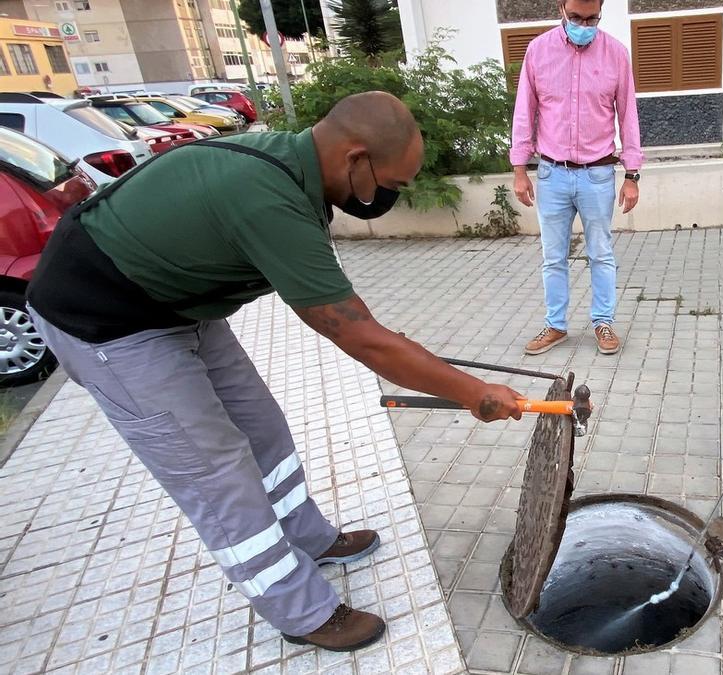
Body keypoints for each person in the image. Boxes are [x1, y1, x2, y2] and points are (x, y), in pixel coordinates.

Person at [26, 92, 525, 652]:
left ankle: (307, 537)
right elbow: (361, 337)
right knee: (215, 470)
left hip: (173, 304)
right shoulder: (268, 198)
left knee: (261, 427)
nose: (394, 195)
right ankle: (300, 611)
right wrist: (474, 393)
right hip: (104, 319)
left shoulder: (294, 170)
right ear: (355, 159)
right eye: (395, 183)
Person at [511, 0, 644, 356]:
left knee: (600, 253)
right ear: (561, 10)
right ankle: (555, 325)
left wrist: (632, 174)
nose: (583, 25)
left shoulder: (615, 53)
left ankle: (603, 322)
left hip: (598, 174)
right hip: (552, 174)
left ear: (600, 12)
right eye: (576, 18)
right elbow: (524, 109)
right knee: (552, 257)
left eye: (591, 18)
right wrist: (519, 168)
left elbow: (628, 114)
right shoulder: (538, 51)